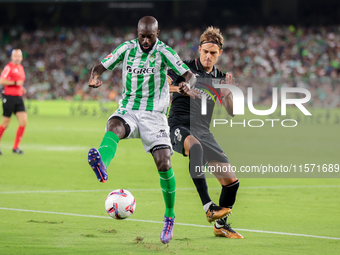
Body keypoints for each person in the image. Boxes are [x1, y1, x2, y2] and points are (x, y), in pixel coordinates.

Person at [87, 16, 196, 244]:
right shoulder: (126, 49)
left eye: (150, 36)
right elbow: (101, 66)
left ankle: (169, 216)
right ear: (137, 33)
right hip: (129, 108)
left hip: (154, 115)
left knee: (164, 163)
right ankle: (102, 164)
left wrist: (186, 84)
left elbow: (188, 74)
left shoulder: (164, 52)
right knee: (114, 126)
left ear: (158, 33)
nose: (145, 41)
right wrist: (94, 77)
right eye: (142, 36)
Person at [167, 26, 243, 239]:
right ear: (199, 50)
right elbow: (163, 86)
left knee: (232, 183)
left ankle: (220, 225)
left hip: (203, 130)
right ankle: (208, 206)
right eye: (205, 51)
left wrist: (228, 94)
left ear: (219, 54)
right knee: (195, 148)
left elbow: (232, 113)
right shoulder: (184, 68)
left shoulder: (220, 78)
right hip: (179, 125)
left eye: (213, 53)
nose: (208, 56)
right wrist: (180, 88)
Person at [0, 49, 27, 155]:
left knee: (23, 122)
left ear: (21, 57)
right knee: (5, 124)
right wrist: (15, 83)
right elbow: (1, 80)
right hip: (9, 97)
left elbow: (20, 83)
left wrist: (21, 88)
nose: (17, 58)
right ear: (11, 57)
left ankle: (15, 147)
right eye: (15, 56)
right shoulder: (8, 67)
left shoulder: (20, 67)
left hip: (18, 98)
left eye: (19, 56)